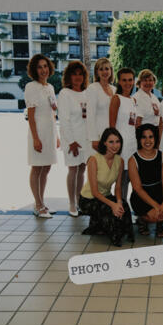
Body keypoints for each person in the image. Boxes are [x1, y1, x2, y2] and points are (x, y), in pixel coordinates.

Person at [79, 128, 134, 246]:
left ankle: (126, 233)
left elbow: (118, 187)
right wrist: (112, 205)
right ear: (104, 142)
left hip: (106, 196)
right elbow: (94, 192)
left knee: (124, 205)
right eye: (111, 142)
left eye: (117, 141)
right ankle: (114, 236)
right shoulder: (94, 160)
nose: (115, 146)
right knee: (109, 210)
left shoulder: (120, 161)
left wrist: (118, 202)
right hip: (88, 199)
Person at [24, 54, 59, 218]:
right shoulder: (31, 87)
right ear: (34, 70)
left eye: (45, 66)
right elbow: (31, 116)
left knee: (46, 168)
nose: (43, 70)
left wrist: (57, 135)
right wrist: (36, 138)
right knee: (37, 168)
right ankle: (37, 205)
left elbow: (53, 113)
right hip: (38, 132)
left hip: (50, 132)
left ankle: (42, 202)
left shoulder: (50, 87)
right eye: (39, 67)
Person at [129, 124, 163, 238]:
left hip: (158, 191)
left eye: (151, 137)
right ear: (139, 139)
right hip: (141, 196)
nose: (147, 140)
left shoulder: (162, 156)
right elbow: (137, 188)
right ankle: (143, 220)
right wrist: (156, 206)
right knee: (155, 214)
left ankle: (160, 223)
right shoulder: (133, 160)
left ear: (155, 138)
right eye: (144, 137)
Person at [57, 60, 90, 217]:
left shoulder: (86, 93)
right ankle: (71, 203)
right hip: (72, 140)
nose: (77, 77)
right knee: (73, 169)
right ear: (69, 76)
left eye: (80, 74)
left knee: (82, 169)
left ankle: (79, 201)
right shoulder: (65, 94)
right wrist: (71, 142)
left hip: (85, 139)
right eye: (74, 74)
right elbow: (63, 120)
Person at [109, 67, 137, 201]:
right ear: (119, 82)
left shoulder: (133, 100)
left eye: (130, 80)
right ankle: (120, 213)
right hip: (121, 147)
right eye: (124, 80)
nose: (128, 83)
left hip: (133, 146)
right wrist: (115, 148)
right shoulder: (116, 98)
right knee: (121, 182)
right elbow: (112, 127)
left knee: (131, 181)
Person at [86, 57, 116, 153]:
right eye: (101, 69)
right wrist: (94, 138)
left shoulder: (115, 90)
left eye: (107, 68)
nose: (104, 72)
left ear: (111, 70)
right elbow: (90, 115)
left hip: (113, 135)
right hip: (98, 136)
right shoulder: (93, 88)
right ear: (97, 72)